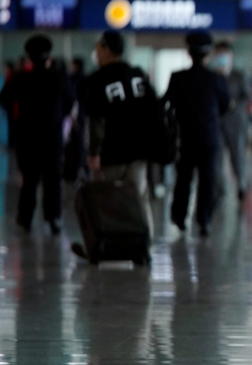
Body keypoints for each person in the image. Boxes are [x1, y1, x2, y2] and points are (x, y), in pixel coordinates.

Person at [81, 30, 157, 242]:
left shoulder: (97, 79)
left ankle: (110, 244)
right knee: (139, 198)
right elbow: (153, 109)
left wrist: (93, 152)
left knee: (108, 199)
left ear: (106, 50)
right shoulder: (137, 75)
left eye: (98, 47)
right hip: (138, 150)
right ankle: (144, 242)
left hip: (111, 152)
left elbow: (96, 120)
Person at [0, 34, 75, 234]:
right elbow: (69, 103)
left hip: (27, 138)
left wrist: (16, 120)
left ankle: (25, 218)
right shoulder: (59, 78)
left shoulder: (20, 78)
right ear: (49, 55)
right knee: (53, 179)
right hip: (52, 138)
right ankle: (53, 218)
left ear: (29, 56)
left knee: (29, 179)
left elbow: (5, 99)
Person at [166, 30, 230, 237]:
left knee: (183, 178)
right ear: (208, 53)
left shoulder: (178, 78)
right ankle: (204, 221)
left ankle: (179, 216)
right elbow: (225, 105)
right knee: (207, 180)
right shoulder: (216, 79)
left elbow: (168, 104)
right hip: (209, 136)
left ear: (188, 52)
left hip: (186, 136)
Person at [210, 41, 251, 201]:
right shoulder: (212, 77)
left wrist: (234, 103)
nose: (221, 58)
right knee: (217, 156)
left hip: (235, 122)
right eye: (218, 54)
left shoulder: (239, 76)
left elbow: (247, 96)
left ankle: (241, 185)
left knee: (237, 154)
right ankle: (219, 188)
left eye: (224, 54)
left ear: (231, 56)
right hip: (217, 122)